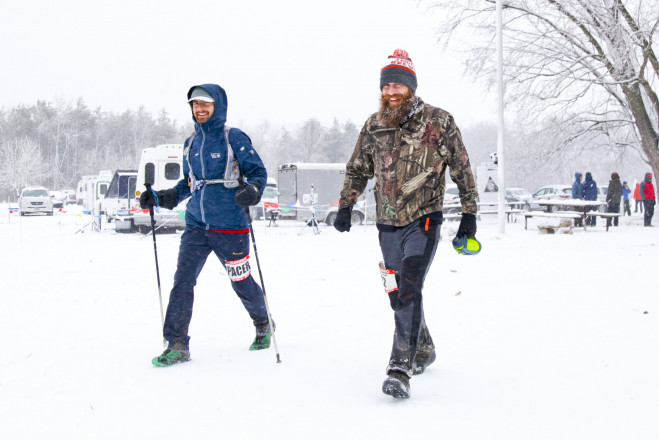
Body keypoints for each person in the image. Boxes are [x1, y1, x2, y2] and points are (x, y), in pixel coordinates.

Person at [334, 49, 479, 399]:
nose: (392, 91)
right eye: (387, 86)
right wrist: (345, 205)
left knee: (410, 286)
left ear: (412, 88)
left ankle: (399, 368)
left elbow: (461, 167)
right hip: (386, 223)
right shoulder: (374, 124)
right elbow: (358, 169)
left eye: (399, 84)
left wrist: (470, 214)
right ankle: (423, 347)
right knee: (398, 294)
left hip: (424, 218)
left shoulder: (439, 121)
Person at [140, 84, 272, 367]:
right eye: (195, 105)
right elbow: (188, 184)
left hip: (230, 226)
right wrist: (160, 198)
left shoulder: (232, 137)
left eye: (205, 104)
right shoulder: (191, 143)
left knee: (241, 281)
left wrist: (253, 190)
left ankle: (263, 322)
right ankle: (177, 344)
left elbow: (257, 172)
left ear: (218, 106)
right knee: (182, 282)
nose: (200, 109)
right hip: (196, 226)